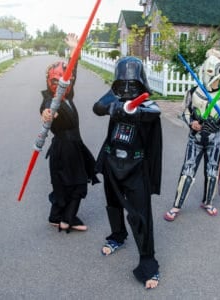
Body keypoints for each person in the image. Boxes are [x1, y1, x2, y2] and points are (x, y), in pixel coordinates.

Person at [93, 56, 162, 289]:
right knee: (113, 203)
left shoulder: (146, 105)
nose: (126, 88)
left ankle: (148, 261)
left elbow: (154, 111)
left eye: (131, 84)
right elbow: (97, 107)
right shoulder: (115, 97)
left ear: (140, 82)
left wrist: (133, 112)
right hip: (112, 162)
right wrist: (115, 106)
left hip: (135, 167)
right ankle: (117, 236)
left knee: (140, 214)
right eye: (122, 83)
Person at [164, 49, 220, 221]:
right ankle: (176, 205)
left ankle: (208, 202)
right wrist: (192, 122)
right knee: (187, 171)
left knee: (212, 172)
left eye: (216, 75)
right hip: (195, 139)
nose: (213, 78)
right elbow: (185, 112)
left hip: (215, 140)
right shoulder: (194, 92)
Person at [40, 33, 99, 233]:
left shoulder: (67, 94)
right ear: (50, 81)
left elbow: (72, 70)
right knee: (77, 185)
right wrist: (47, 114)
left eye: (66, 82)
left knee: (68, 184)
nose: (62, 85)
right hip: (64, 150)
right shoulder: (51, 99)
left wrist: (75, 50)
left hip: (74, 147)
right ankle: (66, 219)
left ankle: (56, 217)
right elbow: (47, 109)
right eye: (57, 82)